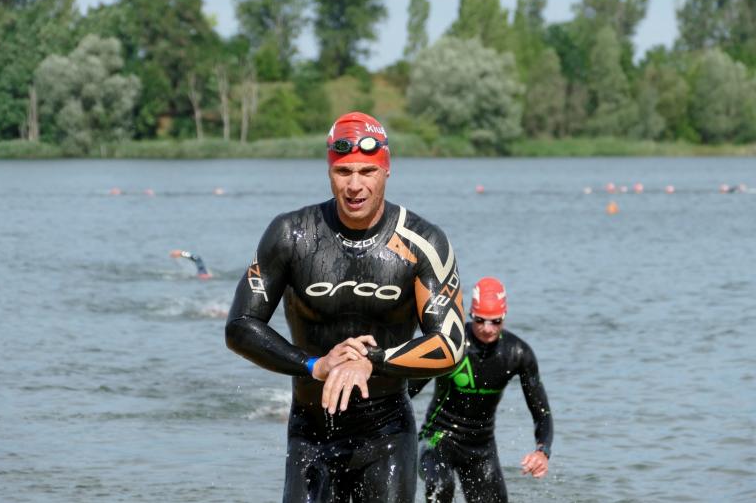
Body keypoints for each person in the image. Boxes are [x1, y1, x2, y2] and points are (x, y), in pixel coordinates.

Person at [225, 111, 466, 502]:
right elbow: (240, 325)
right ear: (329, 172)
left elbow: (451, 346)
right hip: (311, 429)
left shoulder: (423, 242)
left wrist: (373, 360)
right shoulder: (292, 235)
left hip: (386, 431)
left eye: (367, 171)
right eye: (344, 172)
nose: (355, 185)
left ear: (386, 170)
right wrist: (314, 365)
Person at [409, 277, 553, 503]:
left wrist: (542, 451)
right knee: (442, 486)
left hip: (481, 447)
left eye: (495, 322)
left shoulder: (518, 353)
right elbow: (407, 391)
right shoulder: (451, 344)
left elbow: (542, 412)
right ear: (470, 315)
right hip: (437, 439)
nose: (487, 329)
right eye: (480, 320)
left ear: (504, 316)